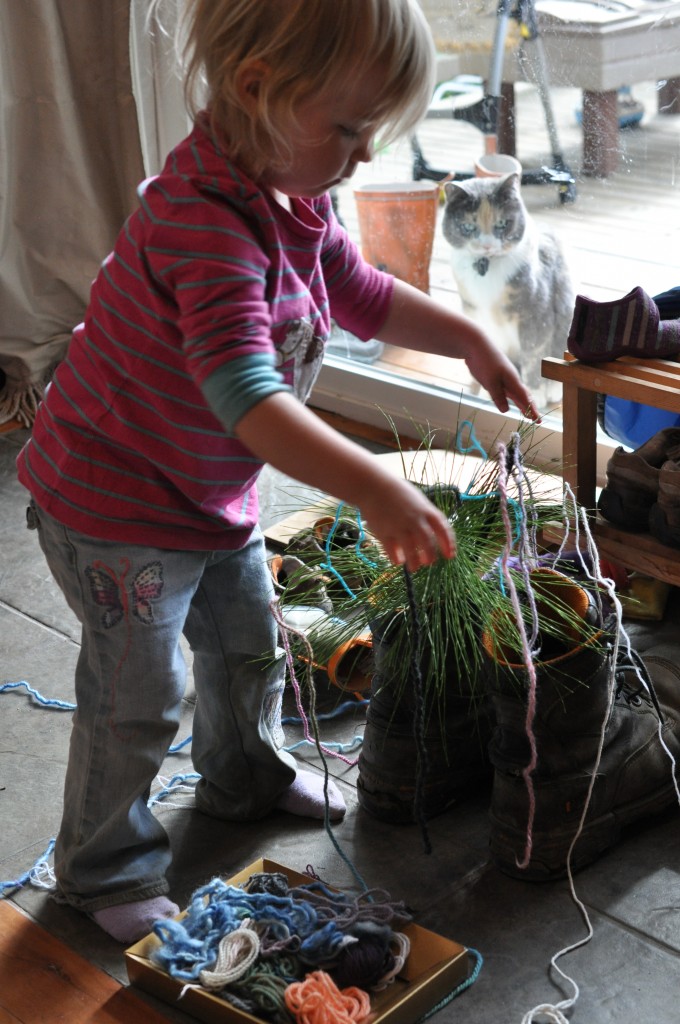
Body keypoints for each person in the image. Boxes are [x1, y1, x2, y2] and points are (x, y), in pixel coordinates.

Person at [16, 0, 539, 944]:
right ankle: (102, 869)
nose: (365, 154)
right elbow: (250, 400)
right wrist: (377, 485)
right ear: (257, 91)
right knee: (137, 695)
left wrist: (465, 334)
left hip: (202, 489)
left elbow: (362, 295)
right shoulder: (202, 225)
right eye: (348, 127)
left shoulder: (295, 192)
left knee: (250, 641)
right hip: (116, 500)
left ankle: (245, 775)